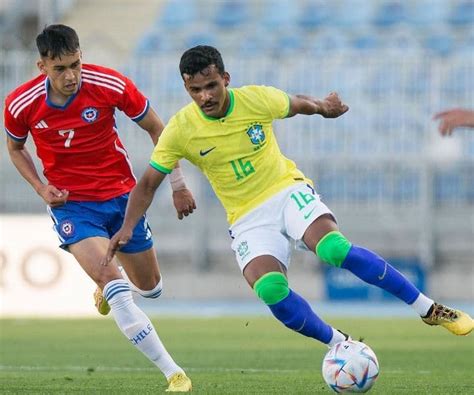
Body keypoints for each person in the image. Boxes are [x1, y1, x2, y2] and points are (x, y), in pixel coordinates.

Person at [105, 45, 473, 351]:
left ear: (225, 79)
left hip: (285, 190)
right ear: (186, 89)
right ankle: (340, 345)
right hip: (247, 218)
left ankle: (429, 309)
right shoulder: (181, 129)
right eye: (195, 91)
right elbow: (149, 183)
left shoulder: (256, 99)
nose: (205, 97)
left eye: (211, 86)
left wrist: (325, 108)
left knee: (333, 250)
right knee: (270, 290)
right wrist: (128, 227)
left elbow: (299, 103)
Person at [3, 25, 193, 392]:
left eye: (75, 64)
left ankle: (110, 289)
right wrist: (41, 187)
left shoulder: (109, 84)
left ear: (81, 55)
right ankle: (174, 373)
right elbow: (15, 148)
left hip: (123, 199)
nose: (71, 75)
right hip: (73, 206)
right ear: (41, 66)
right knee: (113, 283)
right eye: (60, 69)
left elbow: (159, 129)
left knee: (151, 289)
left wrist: (178, 184)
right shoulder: (20, 104)